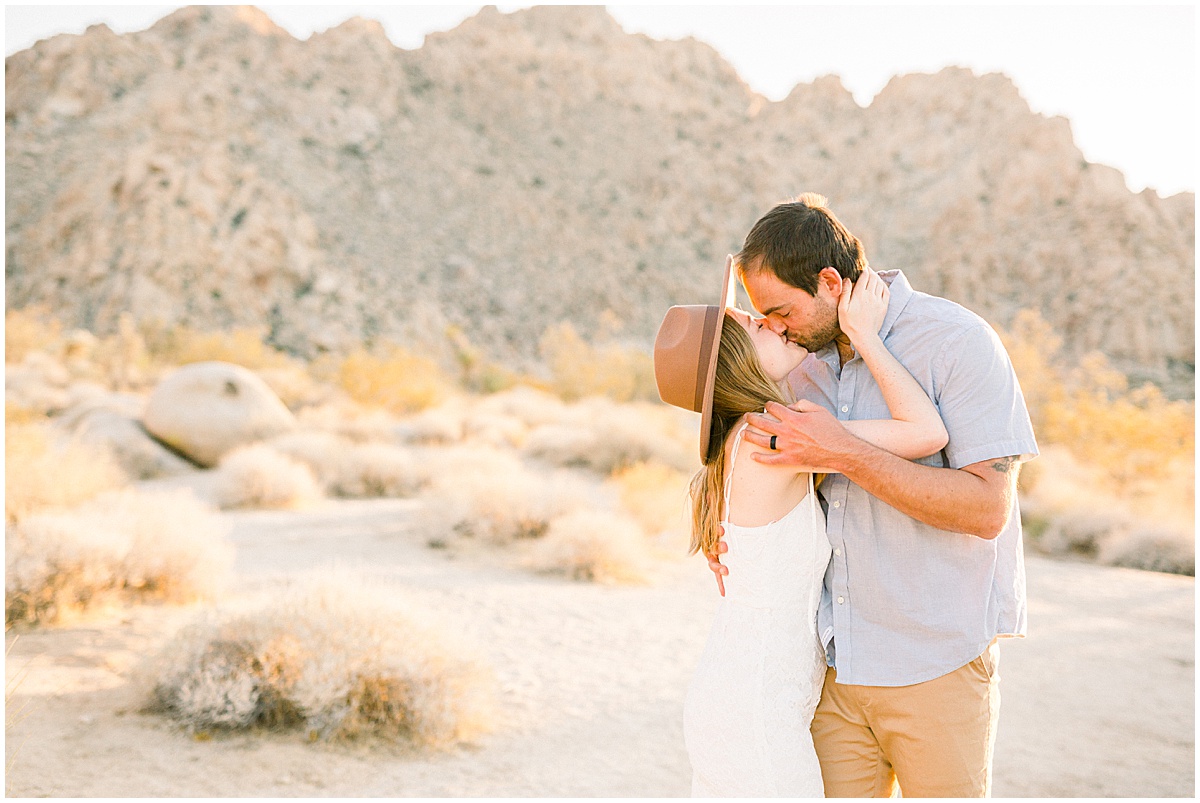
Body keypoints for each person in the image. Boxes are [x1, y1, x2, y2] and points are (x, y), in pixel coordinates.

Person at [707, 193, 1039, 797]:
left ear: (830, 282)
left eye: (781, 310)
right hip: (831, 668)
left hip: (934, 666)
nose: (775, 328)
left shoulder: (956, 340)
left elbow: (987, 510)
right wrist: (738, 537)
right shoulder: (795, 364)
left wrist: (842, 451)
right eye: (764, 318)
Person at [652, 258, 949, 797]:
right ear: (735, 361)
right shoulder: (773, 439)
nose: (771, 322)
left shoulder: (750, 439)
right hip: (755, 707)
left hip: (747, 694)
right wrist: (865, 334)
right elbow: (925, 431)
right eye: (752, 325)